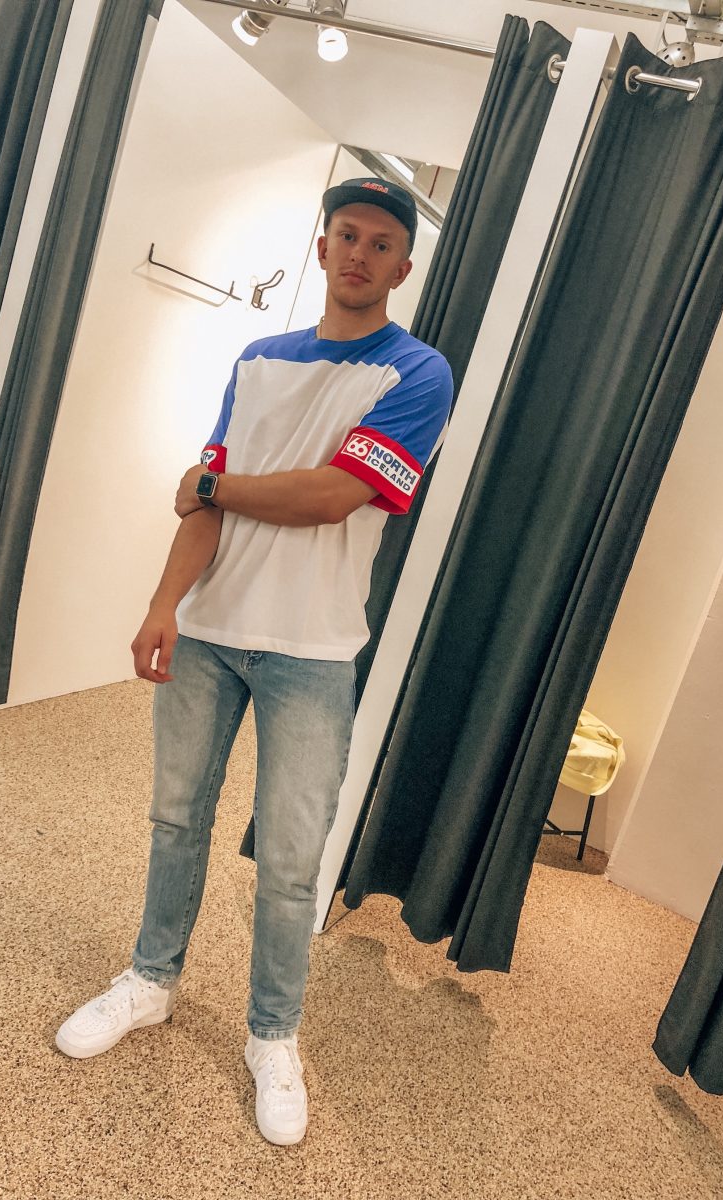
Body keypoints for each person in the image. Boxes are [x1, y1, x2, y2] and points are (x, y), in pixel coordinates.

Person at [55, 178, 453, 1146]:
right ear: (322, 247)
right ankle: (151, 980)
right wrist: (164, 604)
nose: (359, 253)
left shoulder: (417, 373)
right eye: (346, 234)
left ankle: (272, 1035)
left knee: (288, 862)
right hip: (208, 632)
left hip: (312, 654)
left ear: (403, 267)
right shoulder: (258, 358)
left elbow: (329, 496)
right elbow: (206, 504)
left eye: (381, 243)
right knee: (175, 820)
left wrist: (212, 483)